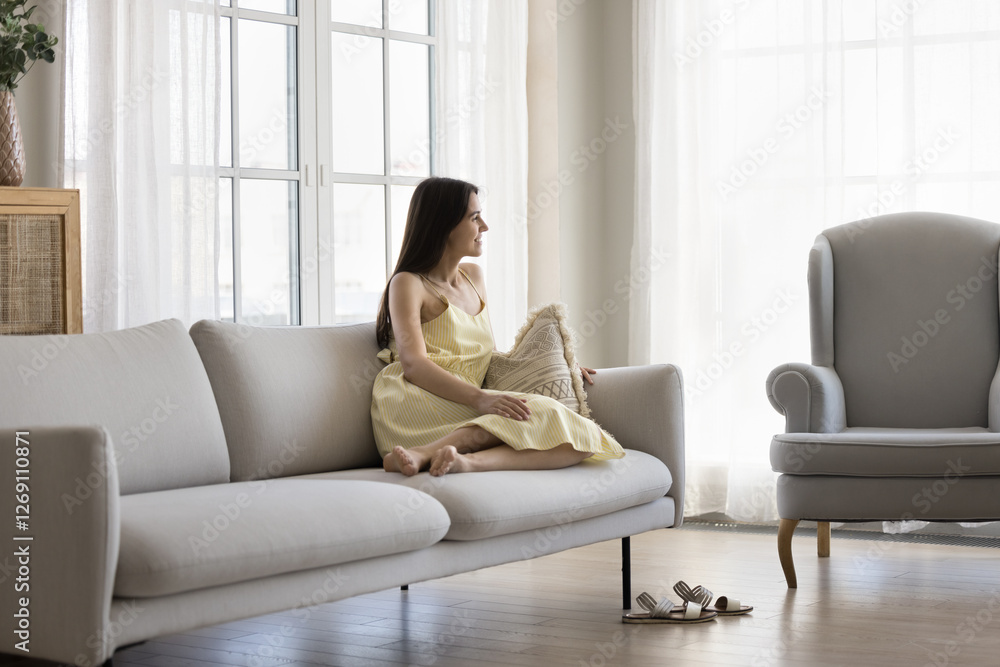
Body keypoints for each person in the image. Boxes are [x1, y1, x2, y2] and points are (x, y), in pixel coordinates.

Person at [371, 176, 625, 476]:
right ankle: (422, 451)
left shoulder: (473, 277)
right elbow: (414, 364)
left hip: (467, 400)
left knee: (582, 439)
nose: (485, 227)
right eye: (475, 217)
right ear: (443, 224)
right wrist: (482, 399)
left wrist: (561, 364)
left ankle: (463, 462)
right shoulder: (408, 283)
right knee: (547, 413)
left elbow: (488, 356)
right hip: (416, 398)